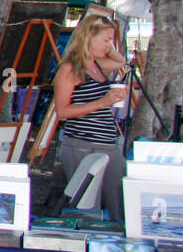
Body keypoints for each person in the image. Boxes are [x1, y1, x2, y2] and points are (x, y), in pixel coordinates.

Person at [53, 14, 130, 220]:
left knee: (120, 203)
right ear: (88, 38)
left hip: (108, 143)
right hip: (82, 145)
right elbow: (63, 111)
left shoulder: (97, 65)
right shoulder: (70, 69)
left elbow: (120, 61)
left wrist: (109, 44)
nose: (109, 45)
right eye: (105, 40)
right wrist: (102, 103)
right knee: (87, 208)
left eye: (111, 41)